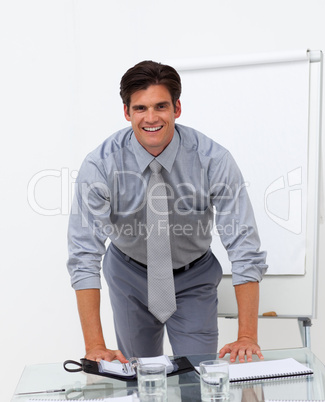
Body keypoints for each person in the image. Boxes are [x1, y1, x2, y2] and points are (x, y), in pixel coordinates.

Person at [67, 60, 268, 365]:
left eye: (161, 106)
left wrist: (247, 336)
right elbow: (84, 254)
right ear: (126, 112)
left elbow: (244, 246)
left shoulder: (213, 160)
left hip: (193, 275)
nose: (151, 118)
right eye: (140, 108)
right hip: (128, 275)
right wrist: (95, 345)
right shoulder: (101, 164)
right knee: (138, 377)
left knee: (199, 376)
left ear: (177, 108)